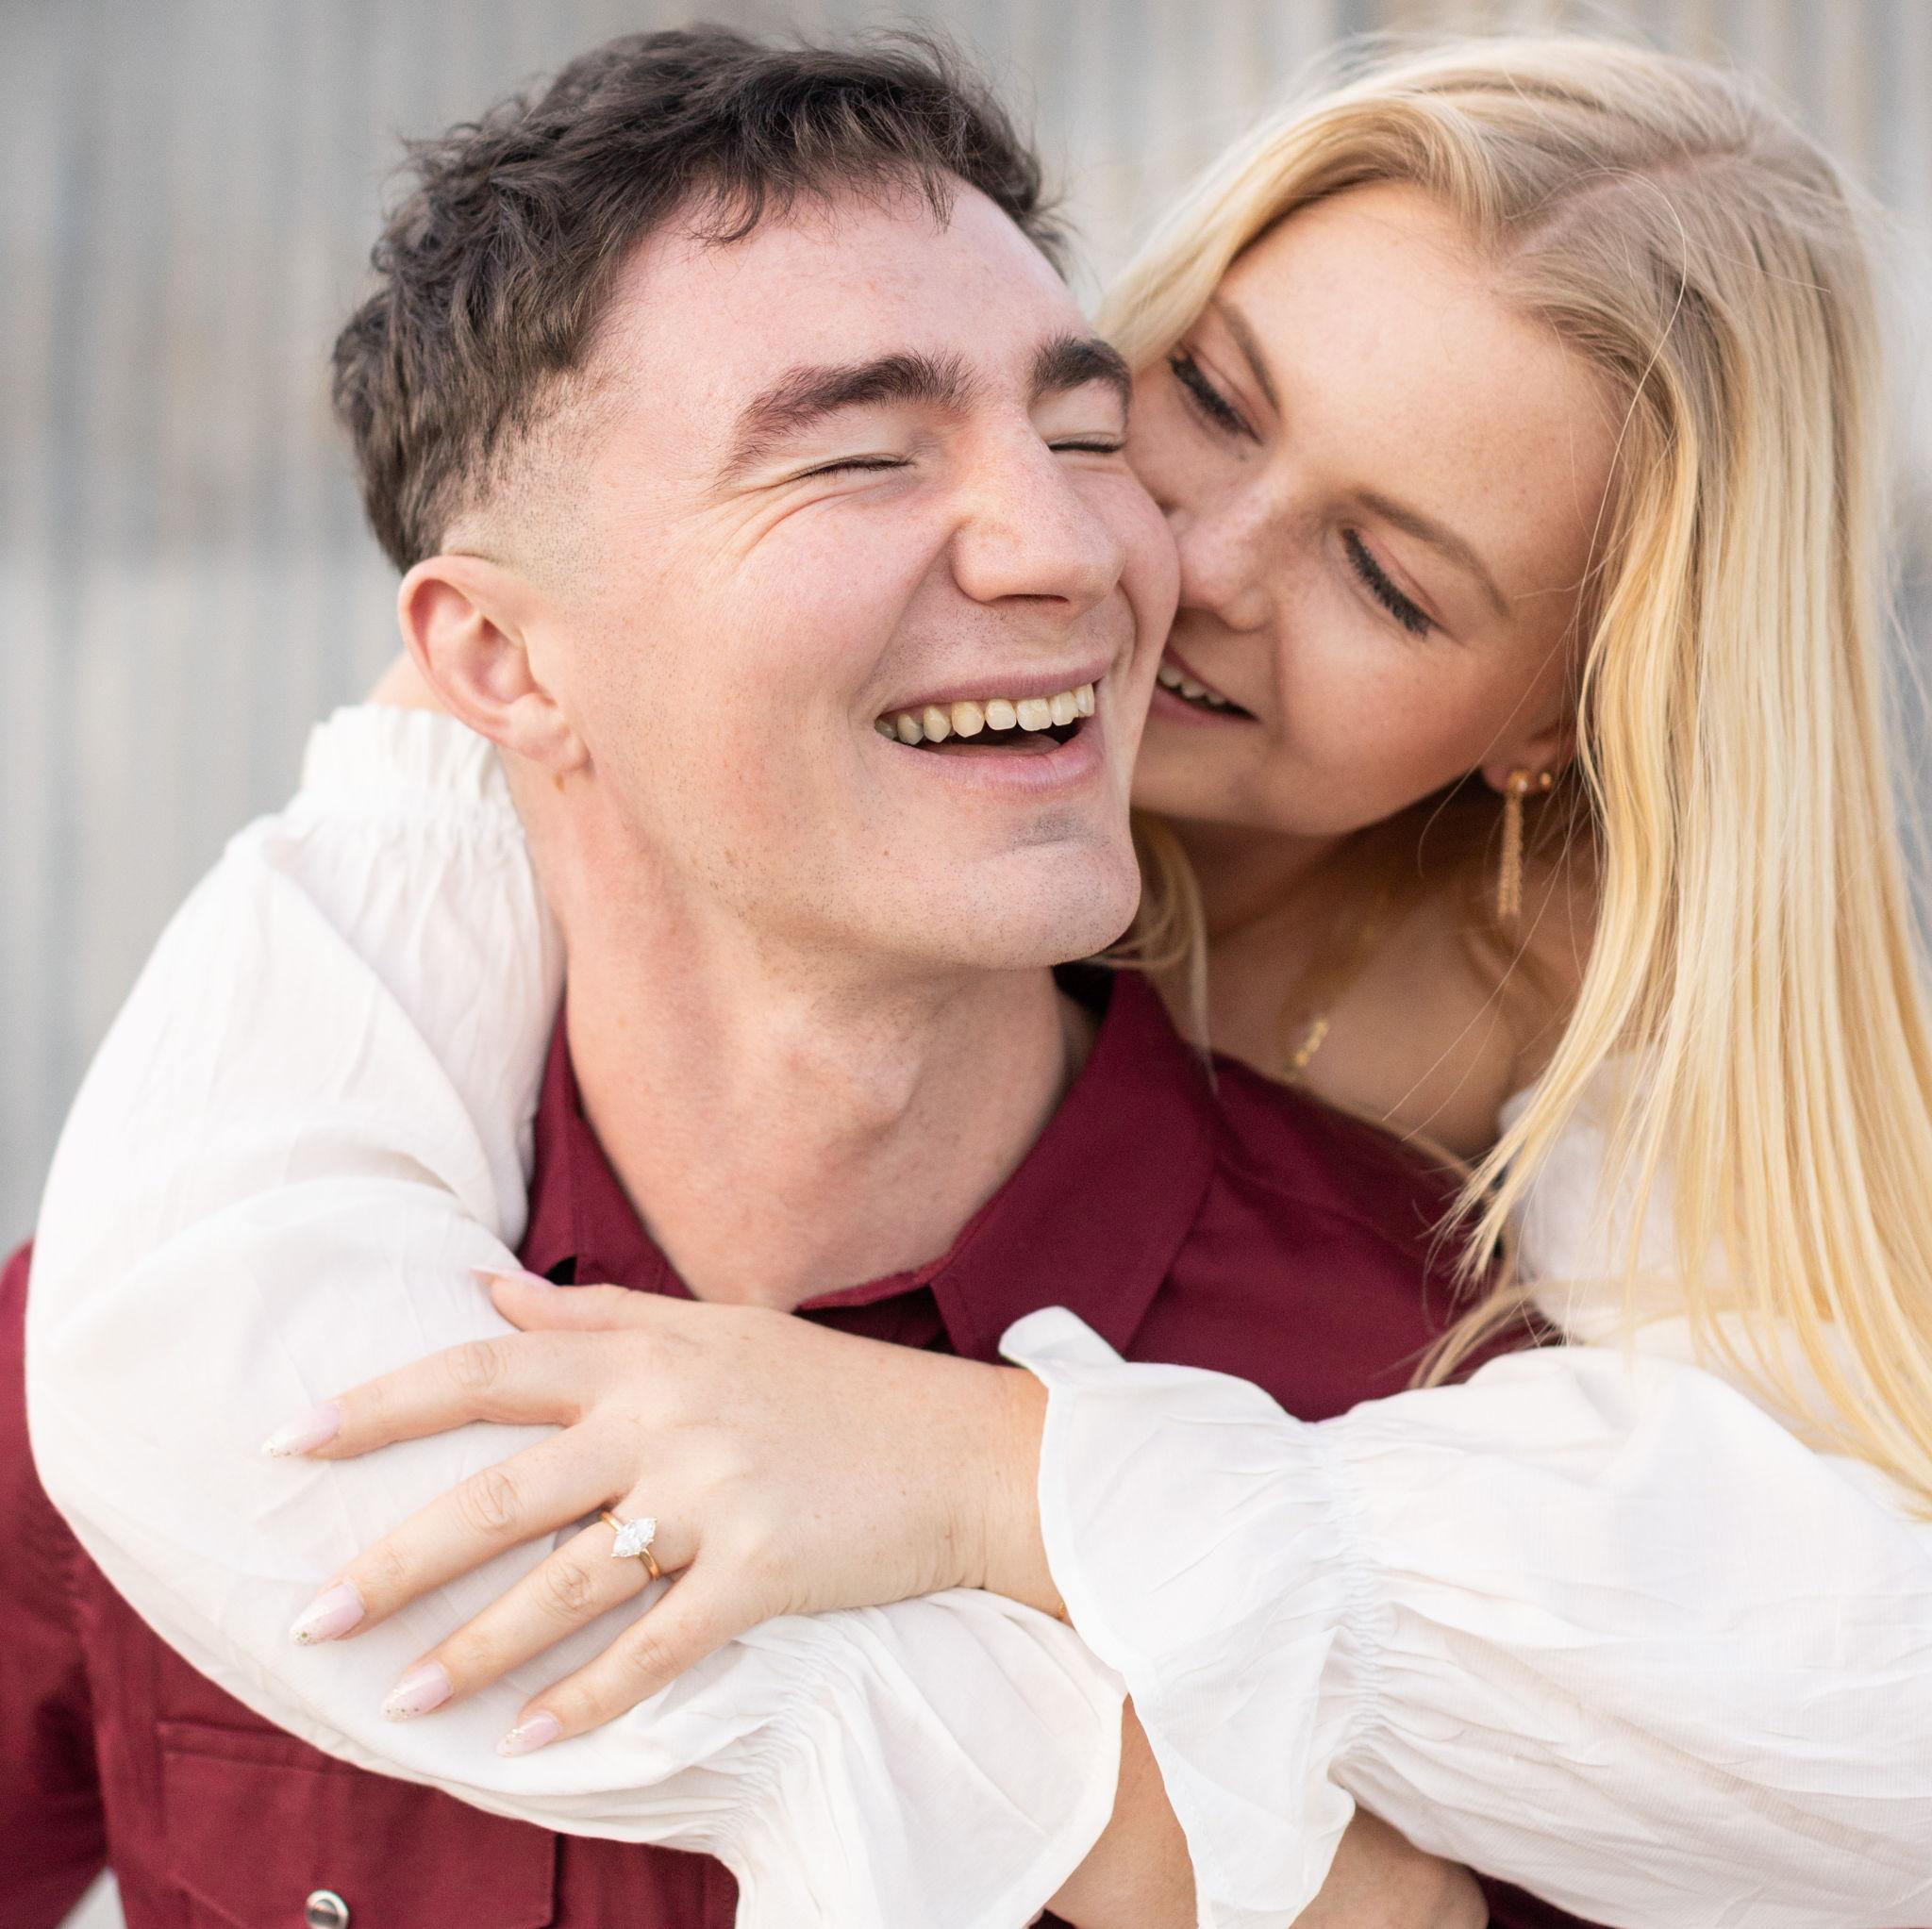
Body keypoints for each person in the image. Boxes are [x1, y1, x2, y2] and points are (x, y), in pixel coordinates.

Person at [20, 21, 1932, 1929]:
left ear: (1556, 730)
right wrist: (1081, 1806)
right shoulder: (255, 1195)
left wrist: (1008, 1480)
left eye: (1391, 581)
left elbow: (1855, 1700)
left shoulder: (1503, 1319)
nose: (1155, 558)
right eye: (1197, 406)